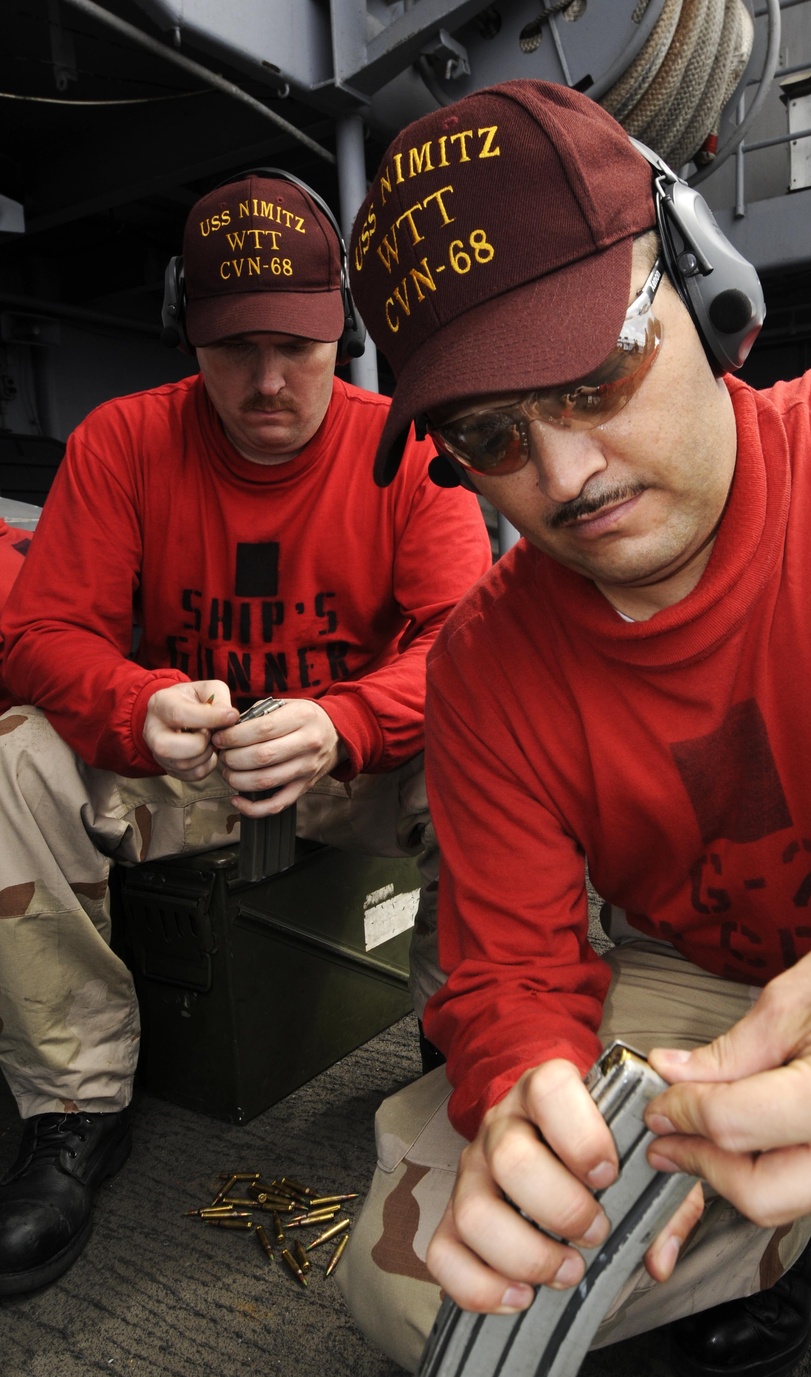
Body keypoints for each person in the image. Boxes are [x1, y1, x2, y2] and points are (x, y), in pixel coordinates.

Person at [333, 78, 811, 1377]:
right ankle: (777, 1221)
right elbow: (509, 968)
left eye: (596, 377)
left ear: (702, 286)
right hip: (722, 1000)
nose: (564, 477)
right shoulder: (488, 667)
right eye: (491, 438)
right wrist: (519, 1098)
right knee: (416, 1288)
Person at [0, 170, 492, 1298]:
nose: (267, 381)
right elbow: (42, 633)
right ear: (189, 331)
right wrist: (135, 705)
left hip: (356, 765)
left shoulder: (408, 450)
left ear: (345, 329)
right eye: (233, 348)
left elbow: (469, 648)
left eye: (297, 345)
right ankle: (76, 1104)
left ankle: (459, 1064)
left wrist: (348, 720)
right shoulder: (125, 441)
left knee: (503, 757)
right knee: (18, 755)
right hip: (194, 769)